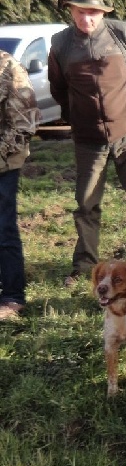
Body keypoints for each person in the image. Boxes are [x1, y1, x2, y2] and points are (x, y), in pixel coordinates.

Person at [48, 0, 126, 286]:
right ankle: (84, 264)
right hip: (89, 141)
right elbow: (58, 89)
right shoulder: (62, 44)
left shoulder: (122, 33)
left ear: (102, 12)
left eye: (92, 12)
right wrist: (77, 119)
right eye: (80, 11)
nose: (86, 18)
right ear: (72, 11)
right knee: (86, 204)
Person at [0, 50, 39, 319]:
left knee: (3, 230)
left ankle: (13, 297)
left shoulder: (8, 66)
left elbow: (24, 123)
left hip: (4, 163)